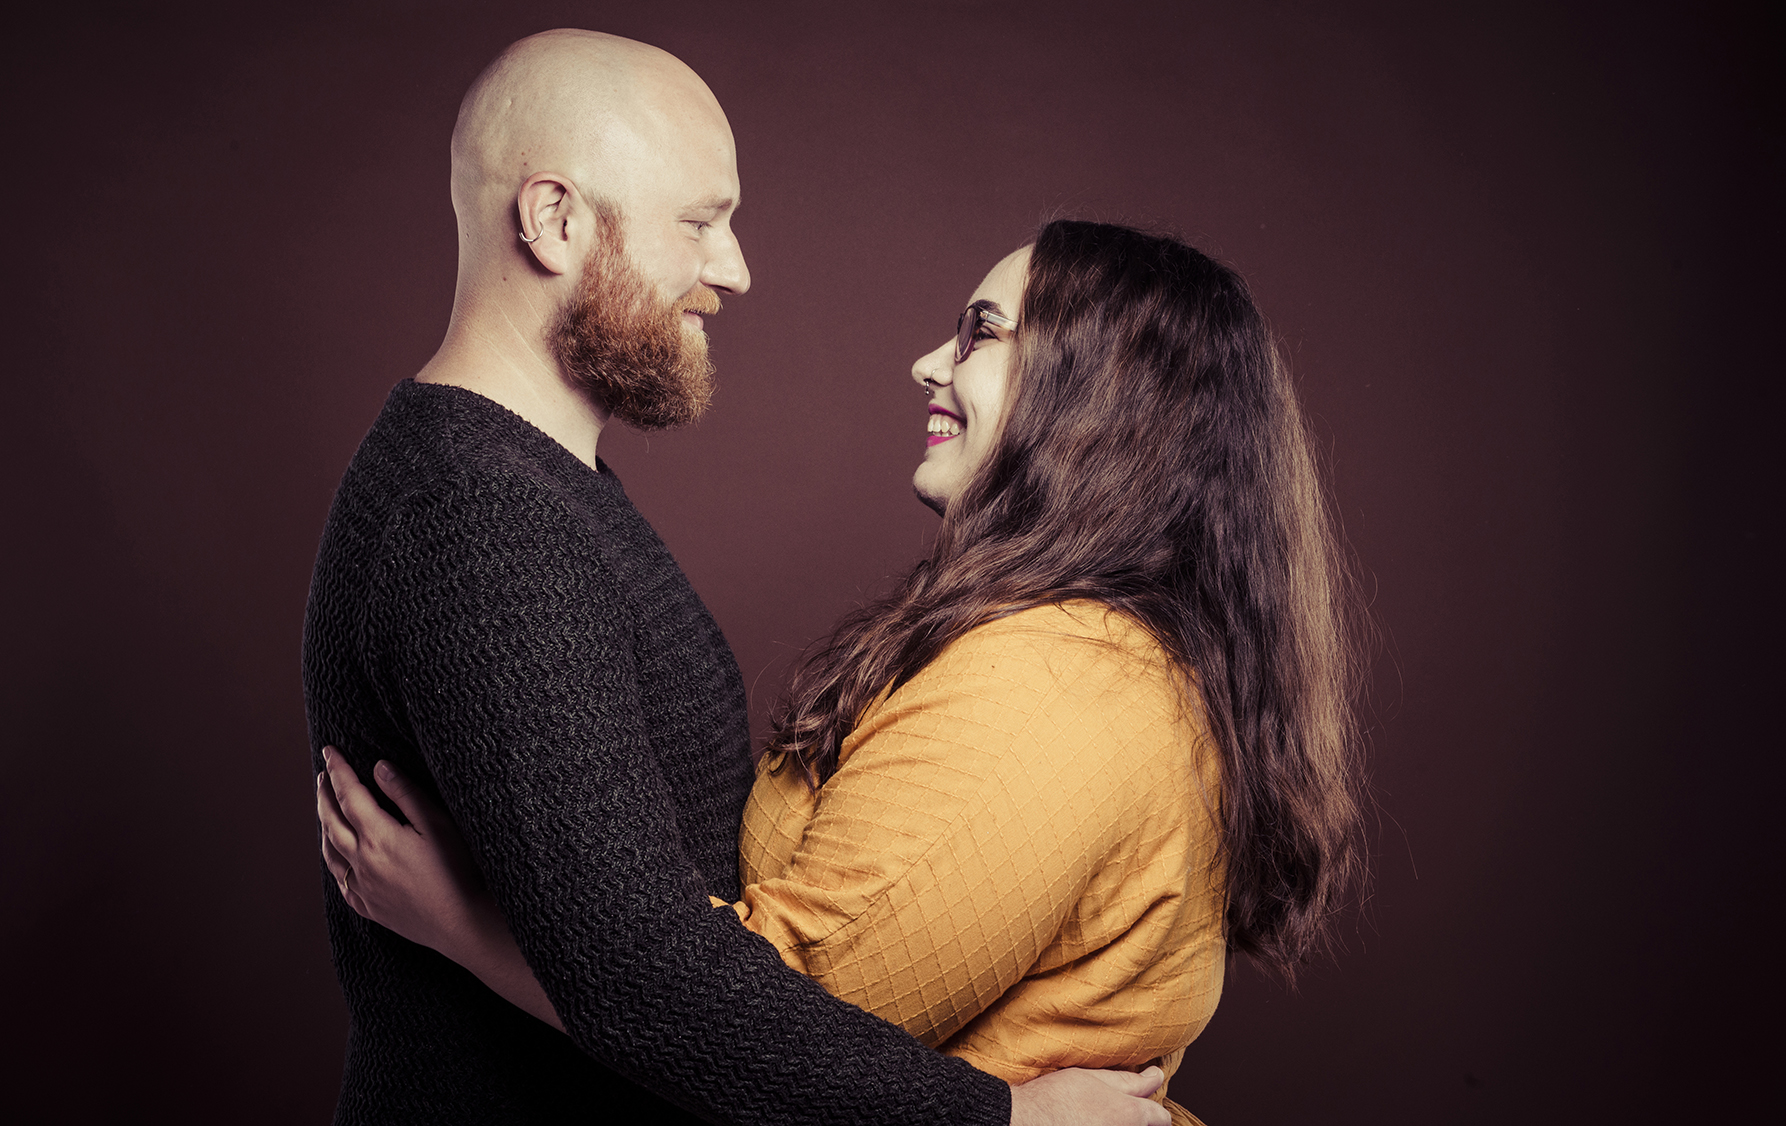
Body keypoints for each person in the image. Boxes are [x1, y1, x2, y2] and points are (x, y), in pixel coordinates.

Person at [303, 26, 1170, 1126]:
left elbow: (640, 934)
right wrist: (1001, 1120)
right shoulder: (477, 517)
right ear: (554, 220)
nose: (735, 268)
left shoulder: (537, 486)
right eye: (700, 222)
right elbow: (638, 974)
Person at [318, 219, 1365, 1125]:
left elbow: (776, 1016)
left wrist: (465, 926)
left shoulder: (1056, 687)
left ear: (1104, 400)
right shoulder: (1052, 651)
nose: (925, 362)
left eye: (982, 332)